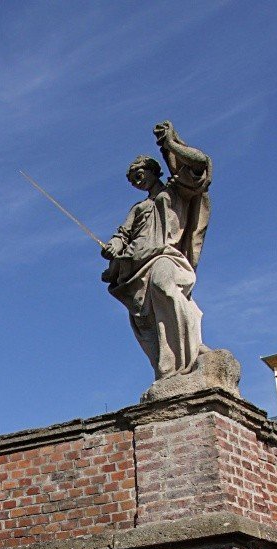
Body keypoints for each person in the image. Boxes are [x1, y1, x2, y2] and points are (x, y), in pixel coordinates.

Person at [101, 124, 211, 381]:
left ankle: (191, 350)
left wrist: (171, 144)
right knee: (144, 319)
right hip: (136, 265)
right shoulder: (138, 207)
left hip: (165, 254)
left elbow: (201, 166)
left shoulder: (175, 190)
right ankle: (167, 365)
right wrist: (114, 247)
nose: (136, 180)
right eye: (133, 178)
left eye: (139, 173)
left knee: (165, 287)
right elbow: (123, 235)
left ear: (152, 170)